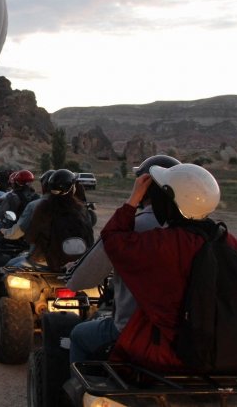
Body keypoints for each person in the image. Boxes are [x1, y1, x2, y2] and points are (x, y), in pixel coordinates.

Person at [89, 163, 237, 372]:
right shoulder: (231, 243)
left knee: (80, 336)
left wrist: (133, 200)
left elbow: (112, 240)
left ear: (168, 203)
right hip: (224, 354)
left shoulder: (164, 244)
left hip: (168, 352)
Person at [67, 155, 180, 364]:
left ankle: (79, 395)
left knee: (79, 334)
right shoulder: (201, 232)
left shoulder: (131, 227)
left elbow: (81, 280)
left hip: (132, 331)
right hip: (186, 336)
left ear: (144, 187)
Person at [7, 169, 95, 272]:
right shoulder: (81, 210)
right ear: (71, 188)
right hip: (78, 264)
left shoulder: (42, 208)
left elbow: (31, 237)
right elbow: (90, 239)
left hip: (47, 263)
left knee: (9, 268)